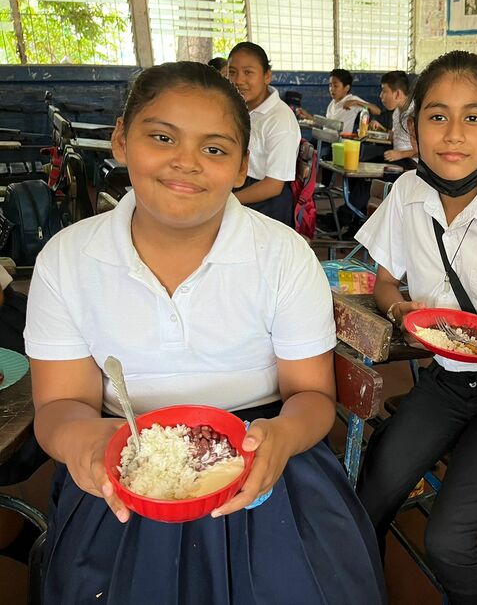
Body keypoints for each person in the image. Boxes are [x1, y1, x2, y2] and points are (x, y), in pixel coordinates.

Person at [24, 61, 385, 604]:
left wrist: (281, 439)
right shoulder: (68, 259)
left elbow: (311, 397)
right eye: (162, 137)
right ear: (122, 140)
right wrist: (85, 443)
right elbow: (59, 407)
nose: (185, 162)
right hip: (124, 464)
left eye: (215, 149)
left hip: (266, 460)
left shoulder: (283, 255)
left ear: (243, 166)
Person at [355, 51, 477, 605]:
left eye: (473, 117)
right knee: (365, 502)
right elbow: (384, 284)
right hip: (446, 384)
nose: (453, 134)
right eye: (437, 115)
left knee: (446, 541)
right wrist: (403, 313)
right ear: (414, 126)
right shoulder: (406, 195)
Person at [324, 70, 418, 237]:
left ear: (397, 93)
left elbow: (424, 148)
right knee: (358, 168)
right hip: (397, 157)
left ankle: (343, 218)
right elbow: (396, 136)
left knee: (367, 178)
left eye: (384, 91)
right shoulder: (397, 111)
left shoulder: (413, 114)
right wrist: (382, 130)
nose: (381, 96)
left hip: (410, 164)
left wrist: (401, 155)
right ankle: (354, 223)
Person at [227, 42, 301, 227]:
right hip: (240, 188)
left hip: (266, 204)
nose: (238, 80)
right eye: (232, 72)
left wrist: (226, 202)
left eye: (248, 72)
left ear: (267, 75)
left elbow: (274, 185)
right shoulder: (240, 110)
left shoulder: (280, 119)